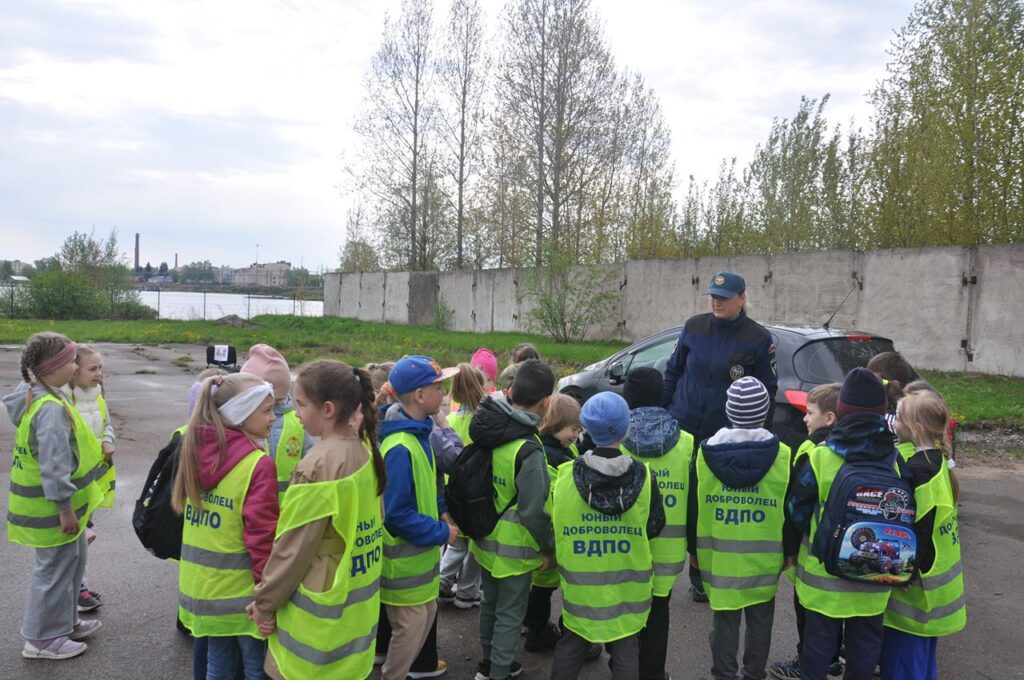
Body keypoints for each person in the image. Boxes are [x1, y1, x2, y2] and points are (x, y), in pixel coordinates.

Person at [247, 361, 387, 679]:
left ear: (327, 409)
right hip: (355, 624)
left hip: (313, 633)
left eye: (301, 404)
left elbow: (292, 550)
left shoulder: (316, 466)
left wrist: (265, 603)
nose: (295, 413)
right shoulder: (366, 452)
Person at [662, 271, 777, 602]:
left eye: (724, 298)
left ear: (741, 299)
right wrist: (664, 413)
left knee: (706, 507)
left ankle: (700, 575)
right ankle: (665, 569)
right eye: (713, 296)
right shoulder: (694, 327)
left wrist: (755, 436)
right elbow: (673, 372)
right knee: (678, 504)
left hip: (722, 437)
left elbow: (767, 391)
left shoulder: (758, 338)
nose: (716, 301)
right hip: (682, 429)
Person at [787, 368, 899, 680]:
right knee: (865, 643)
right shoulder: (895, 459)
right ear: (882, 411)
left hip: (824, 577)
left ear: (841, 410)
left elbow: (796, 508)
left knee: (818, 643)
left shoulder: (821, 456)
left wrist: (794, 547)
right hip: (875, 574)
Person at [550, 391, 664, 680]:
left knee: (571, 644)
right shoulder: (645, 477)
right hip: (628, 589)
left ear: (586, 429)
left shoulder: (565, 476)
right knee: (626, 649)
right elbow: (654, 525)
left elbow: (556, 522)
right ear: (626, 430)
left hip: (582, 588)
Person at [4, 332, 105, 660]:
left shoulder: (42, 395)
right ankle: (40, 640)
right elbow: (54, 463)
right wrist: (65, 508)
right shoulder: (49, 409)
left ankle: (63, 624)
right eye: (72, 361)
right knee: (52, 573)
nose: (76, 367)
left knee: (71, 566)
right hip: (53, 511)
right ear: (53, 367)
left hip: (61, 508)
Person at [173, 372, 280, 679]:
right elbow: (262, 539)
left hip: (202, 590)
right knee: (256, 667)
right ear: (241, 414)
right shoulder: (257, 464)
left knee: (217, 666)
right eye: (266, 411)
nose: (273, 418)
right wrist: (268, 597)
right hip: (244, 596)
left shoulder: (194, 450)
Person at [692, 377, 792, 680]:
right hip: (765, 556)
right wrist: (789, 550)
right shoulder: (783, 455)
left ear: (729, 410)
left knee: (724, 621)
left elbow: (695, 505)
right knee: (761, 620)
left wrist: (692, 550)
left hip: (719, 556)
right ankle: (754, 673)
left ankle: (724, 674)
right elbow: (790, 509)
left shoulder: (705, 454)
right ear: (765, 411)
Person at [468, 359, 556, 680]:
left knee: (489, 604)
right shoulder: (529, 449)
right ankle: (499, 671)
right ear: (546, 401)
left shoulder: (490, 426)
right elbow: (533, 511)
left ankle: (488, 661)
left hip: (485, 537)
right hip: (515, 550)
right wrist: (548, 548)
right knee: (510, 613)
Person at [377, 356, 459, 680]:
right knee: (408, 634)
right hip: (404, 572)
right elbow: (396, 514)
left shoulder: (418, 435)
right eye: (439, 387)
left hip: (420, 570)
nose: (444, 393)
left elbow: (426, 483)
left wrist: (441, 509)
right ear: (420, 396)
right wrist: (441, 532)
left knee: (424, 619)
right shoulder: (400, 446)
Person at [879, 391, 965, 680]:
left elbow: (921, 531)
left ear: (914, 427)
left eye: (899, 419)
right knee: (923, 662)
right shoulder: (937, 461)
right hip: (935, 585)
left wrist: (905, 573)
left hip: (917, 592)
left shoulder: (919, 470)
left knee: (904, 662)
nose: (894, 423)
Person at [620, 368, 694, 680]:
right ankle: (652, 673)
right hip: (668, 550)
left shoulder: (616, 438)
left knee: (625, 612)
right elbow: (693, 501)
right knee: (658, 612)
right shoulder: (686, 442)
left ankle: (622, 668)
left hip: (625, 547)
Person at [769, 383, 844, 680]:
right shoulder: (852, 446)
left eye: (810, 413)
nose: (804, 418)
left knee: (807, 609)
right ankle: (833, 659)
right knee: (835, 611)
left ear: (829, 418)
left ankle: (806, 661)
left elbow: (795, 505)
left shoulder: (811, 449)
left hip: (810, 550)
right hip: (842, 548)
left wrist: (788, 549)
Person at [523, 393, 583, 653]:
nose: (576, 435)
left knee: (544, 585)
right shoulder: (548, 457)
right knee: (543, 586)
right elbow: (549, 501)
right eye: (573, 429)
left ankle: (535, 623)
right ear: (556, 424)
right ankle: (537, 631)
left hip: (558, 535)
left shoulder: (565, 449)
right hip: (551, 536)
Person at [61, 344, 115, 613]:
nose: (99, 374)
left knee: (82, 541)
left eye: (101, 368)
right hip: (71, 484)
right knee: (74, 541)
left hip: (89, 483)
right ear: (74, 371)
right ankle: (75, 590)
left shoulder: (98, 397)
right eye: (92, 369)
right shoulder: (63, 402)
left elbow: (108, 425)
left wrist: (108, 440)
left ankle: (79, 585)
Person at [440, 363, 487, 609]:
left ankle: (443, 580)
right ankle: (467, 592)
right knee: (475, 549)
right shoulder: (484, 423)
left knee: (455, 544)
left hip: (452, 495)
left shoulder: (448, 421)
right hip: (477, 496)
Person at [241, 344, 314, 497]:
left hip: (287, 506)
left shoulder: (297, 421)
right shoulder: (240, 421)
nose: (271, 416)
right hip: (249, 503)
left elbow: (310, 462)